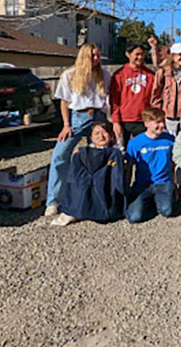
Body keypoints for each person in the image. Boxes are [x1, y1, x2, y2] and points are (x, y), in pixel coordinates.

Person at [45, 43, 111, 216]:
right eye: (93, 56)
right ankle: (53, 201)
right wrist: (66, 125)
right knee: (60, 155)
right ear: (84, 57)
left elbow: (108, 99)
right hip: (77, 118)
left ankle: (97, 197)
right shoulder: (69, 75)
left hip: (98, 117)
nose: (96, 59)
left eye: (98, 55)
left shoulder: (104, 75)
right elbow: (64, 102)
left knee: (99, 157)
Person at [51, 122, 127, 226]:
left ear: (111, 135)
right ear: (91, 137)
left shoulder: (116, 153)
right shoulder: (82, 153)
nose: (101, 136)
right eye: (97, 133)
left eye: (104, 133)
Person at [125, 107, 176, 223]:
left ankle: (157, 200)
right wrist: (127, 187)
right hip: (143, 184)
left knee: (166, 212)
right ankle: (147, 201)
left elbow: (172, 164)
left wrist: (174, 185)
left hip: (163, 182)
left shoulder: (170, 140)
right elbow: (129, 167)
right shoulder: (135, 143)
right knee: (134, 218)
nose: (162, 125)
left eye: (163, 121)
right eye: (157, 122)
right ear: (146, 123)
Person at [109, 43, 155, 147]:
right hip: (124, 120)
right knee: (121, 151)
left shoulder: (150, 75)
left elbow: (154, 98)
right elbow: (114, 100)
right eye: (137, 54)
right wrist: (116, 121)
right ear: (128, 54)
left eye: (142, 54)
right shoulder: (119, 75)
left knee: (143, 150)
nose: (140, 57)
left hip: (143, 120)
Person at [151, 42, 181, 136]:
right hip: (166, 118)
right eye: (179, 55)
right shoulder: (163, 73)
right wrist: (158, 115)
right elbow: (155, 95)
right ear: (172, 56)